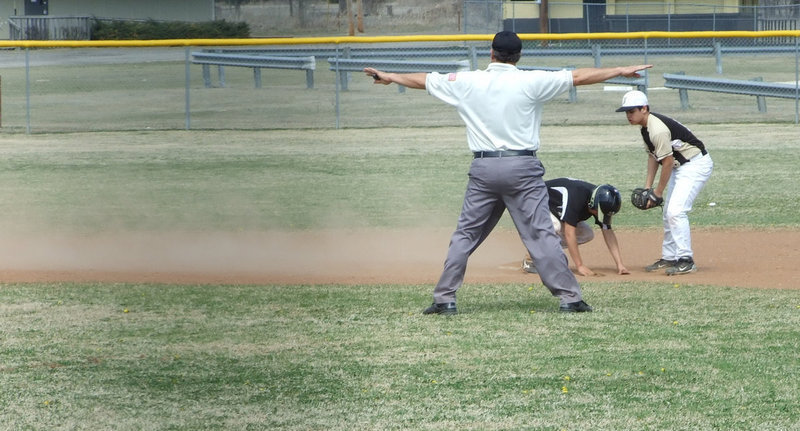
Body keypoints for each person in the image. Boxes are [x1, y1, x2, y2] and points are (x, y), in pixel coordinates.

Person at [364, 31, 651, 314]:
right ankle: (569, 299)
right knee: (541, 235)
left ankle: (444, 299)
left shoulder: (468, 80)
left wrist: (390, 77)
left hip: (484, 169)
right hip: (522, 169)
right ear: (518, 56)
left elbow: (423, 79)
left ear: (491, 53)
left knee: (465, 235)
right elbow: (578, 76)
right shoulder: (531, 80)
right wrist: (620, 70)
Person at [616, 90, 713, 275]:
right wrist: (648, 187)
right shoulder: (646, 128)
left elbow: (667, 162)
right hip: (681, 166)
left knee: (676, 212)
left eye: (631, 111)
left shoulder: (657, 129)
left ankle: (686, 259)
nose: (628, 115)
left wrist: (658, 192)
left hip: (696, 165)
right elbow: (654, 157)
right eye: (626, 112)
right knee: (669, 212)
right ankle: (670, 257)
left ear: (644, 109)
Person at [521, 178, 629, 276]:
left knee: (586, 234)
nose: (599, 216)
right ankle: (531, 257)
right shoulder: (577, 197)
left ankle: (547, 252)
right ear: (592, 204)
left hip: (552, 208)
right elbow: (569, 233)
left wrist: (620, 264)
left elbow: (608, 232)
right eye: (599, 213)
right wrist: (580, 266)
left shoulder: (599, 200)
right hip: (533, 201)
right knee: (556, 226)